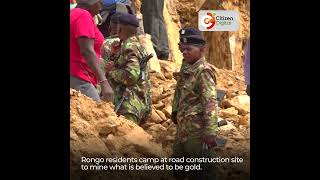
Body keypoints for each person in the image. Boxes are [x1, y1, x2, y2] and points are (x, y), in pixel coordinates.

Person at [171, 28, 219, 180]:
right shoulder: (187, 67)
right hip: (183, 129)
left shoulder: (203, 71)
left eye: (189, 49)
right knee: (178, 169)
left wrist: (211, 131)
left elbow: (210, 101)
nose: (184, 52)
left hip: (197, 133)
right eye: (183, 49)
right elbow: (180, 93)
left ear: (202, 50)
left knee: (199, 172)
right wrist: (175, 111)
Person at [105, 13, 151, 124]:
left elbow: (131, 76)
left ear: (119, 29)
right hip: (137, 103)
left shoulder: (129, 47)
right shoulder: (138, 46)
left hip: (128, 104)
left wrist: (111, 72)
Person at [70, 0, 113, 102]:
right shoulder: (83, 16)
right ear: (91, 2)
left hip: (75, 74)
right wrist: (104, 82)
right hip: (80, 76)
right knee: (97, 114)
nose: (101, 6)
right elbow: (87, 50)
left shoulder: (74, 13)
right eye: (100, 2)